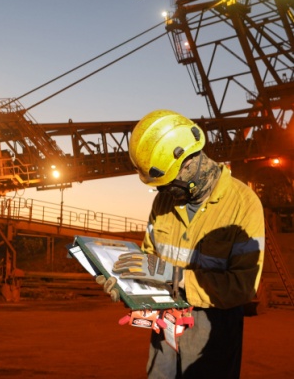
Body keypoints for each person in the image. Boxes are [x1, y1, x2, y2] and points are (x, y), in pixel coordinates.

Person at [101, 109, 264, 378]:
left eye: (167, 183)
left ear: (188, 163)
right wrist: (128, 286)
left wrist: (173, 276)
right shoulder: (164, 201)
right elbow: (148, 258)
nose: (162, 191)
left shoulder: (244, 204)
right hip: (164, 329)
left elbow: (243, 286)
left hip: (212, 333)